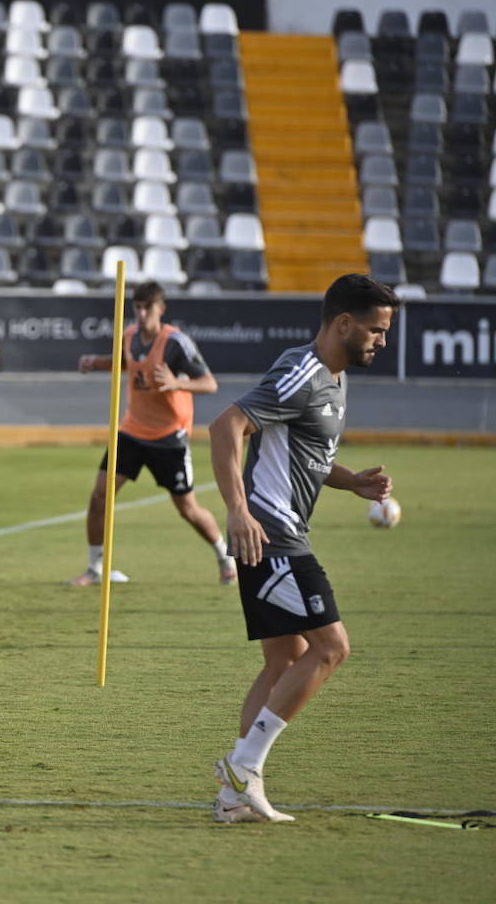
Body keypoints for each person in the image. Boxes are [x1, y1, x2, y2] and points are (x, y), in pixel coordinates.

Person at [208, 274, 398, 823]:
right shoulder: (304, 371)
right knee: (332, 647)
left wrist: (351, 481)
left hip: (281, 533)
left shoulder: (335, 379)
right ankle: (244, 766)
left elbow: (301, 452)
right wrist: (238, 511)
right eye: (375, 330)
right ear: (343, 323)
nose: (382, 341)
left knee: (284, 660)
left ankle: (233, 797)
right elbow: (227, 427)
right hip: (271, 536)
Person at [71, 282, 236, 586]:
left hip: (168, 437)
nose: (142, 313)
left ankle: (224, 555)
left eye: (148, 307)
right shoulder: (130, 335)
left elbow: (209, 383)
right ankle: (97, 567)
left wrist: (177, 383)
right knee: (99, 496)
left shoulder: (176, 343)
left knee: (187, 509)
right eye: (138, 307)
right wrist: (95, 362)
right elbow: (127, 364)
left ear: (161, 309)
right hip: (132, 431)